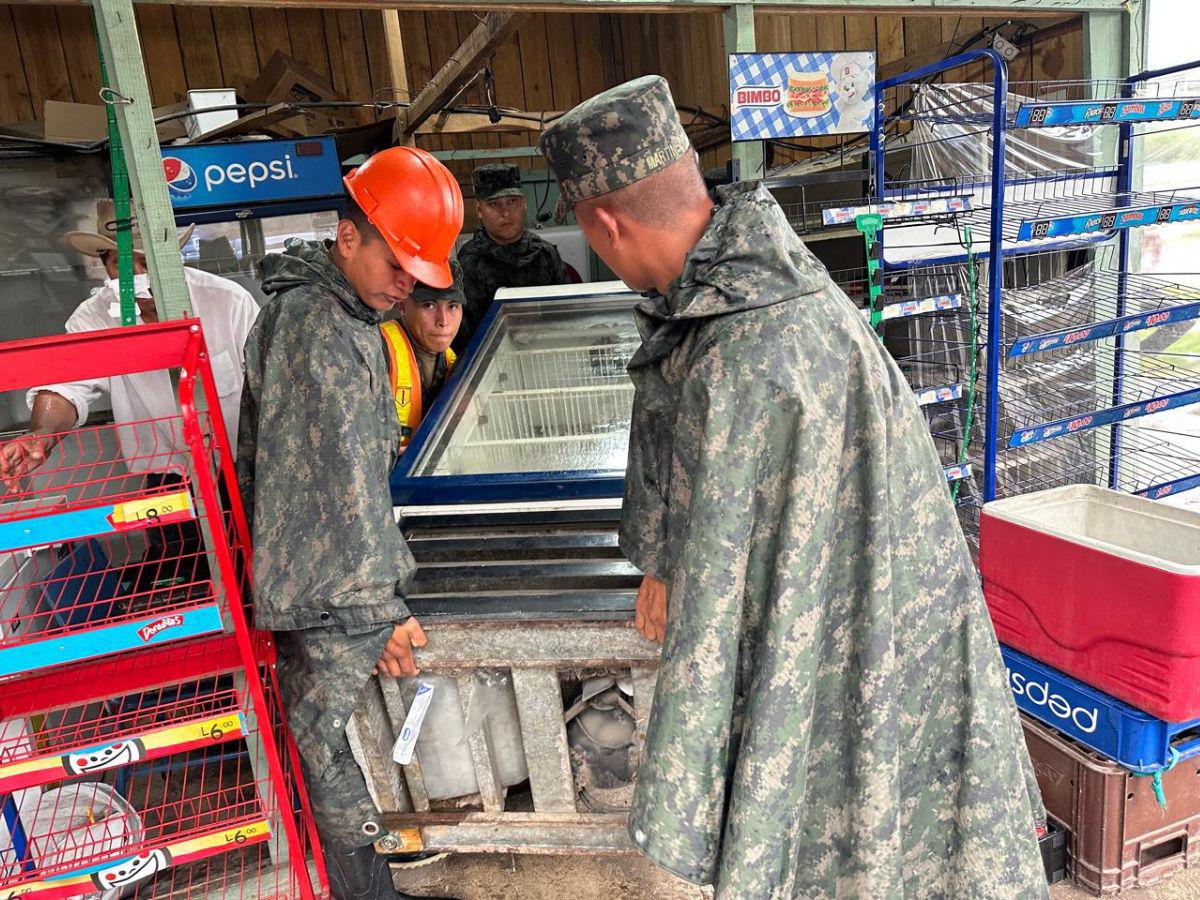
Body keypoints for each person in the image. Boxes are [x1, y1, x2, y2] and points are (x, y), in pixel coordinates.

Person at [539, 75, 1048, 899]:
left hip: (849, 665)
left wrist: (683, 790)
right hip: (898, 647)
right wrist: (663, 559)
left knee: (842, 847)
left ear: (604, 222)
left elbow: (716, 622)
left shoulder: (744, 355)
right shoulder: (766, 290)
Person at [236, 146, 462, 900]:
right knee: (322, 740)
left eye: (420, 275)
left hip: (336, 574)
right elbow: (330, 484)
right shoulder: (315, 328)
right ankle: (367, 893)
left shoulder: (348, 315)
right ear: (346, 237)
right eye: (398, 263)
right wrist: (379, 605)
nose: (407, 285)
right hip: (324, 583)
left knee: (329, 738)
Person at [0, 202, 258, 590]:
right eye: (120, 261)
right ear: (104, 263)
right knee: (191, 583)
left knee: (257, 576)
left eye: (145, 258)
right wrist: (41, 437)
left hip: (245, 470)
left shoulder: (227, 301)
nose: (137, 273)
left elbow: (272, 385)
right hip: (170, 476)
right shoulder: (96, 316)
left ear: (169, 253)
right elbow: (65, 385)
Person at [455, 163, 567, 352]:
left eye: (512, 201)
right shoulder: (470, 264)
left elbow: (566, 316)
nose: (505, 213)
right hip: (494, 361)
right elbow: (465, 339)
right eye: (493, 204)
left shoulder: (545, 254)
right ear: (479, 210)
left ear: (524, 203)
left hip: (547, 351)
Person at [381, 258, 464, 453]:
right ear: (401, 305)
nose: (443, 321)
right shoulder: (378, 352)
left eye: (452, 306)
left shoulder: (453, 362)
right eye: (429, 305)